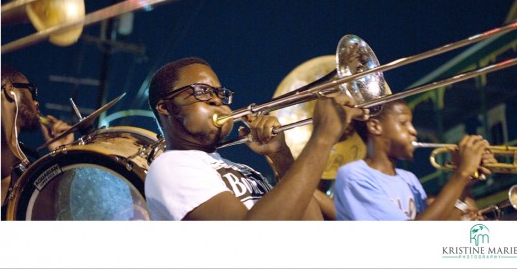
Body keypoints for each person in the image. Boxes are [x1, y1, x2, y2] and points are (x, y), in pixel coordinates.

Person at [144, 57, 370, 220]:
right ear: (165, 107)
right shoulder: (170, 165)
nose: (217, 101)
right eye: (201, 91)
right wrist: (322, 138)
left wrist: (281, 156)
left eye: (220, 94)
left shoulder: (242, 169)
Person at [334, 99, 496, 220]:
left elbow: (438, 225)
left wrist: (465, 184)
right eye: (403, 123)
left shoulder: (408, 178)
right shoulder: (353, 175)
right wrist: (461, 173)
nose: (413, 131)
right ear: (375, 126)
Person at [0, 65, 75, 213]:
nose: (36, 102)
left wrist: (61, 153)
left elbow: (57, 211)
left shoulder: (27, 166)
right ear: (10, 90)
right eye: (32, 91)